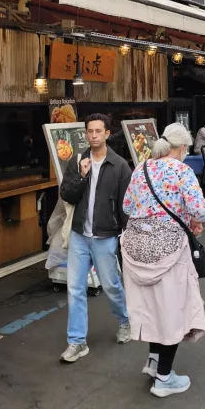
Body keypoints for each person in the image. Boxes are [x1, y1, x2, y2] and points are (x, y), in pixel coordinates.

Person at [121, 123, 205, 398]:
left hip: (136, 248)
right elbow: (200, 210)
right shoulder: (182, 171)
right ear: (182, 147)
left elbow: (126, 206)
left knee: (152, 308)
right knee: (172, 311)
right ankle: (164, 378)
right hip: (169, 250)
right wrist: (191, 219)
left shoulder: (141, 168)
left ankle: (153, 361)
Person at [58, 113, 132, 363]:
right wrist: (81, 176)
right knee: (75, 289)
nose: (93, 135)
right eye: (90, 131)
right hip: (80, 234)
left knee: (111, 285)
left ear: (107, 134)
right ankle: (76, 341)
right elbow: (66, 194)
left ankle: (125, 320)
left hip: (105, 235)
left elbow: (126, 205)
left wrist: (126, 236)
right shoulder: (78, 160)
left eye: (98, 131)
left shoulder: (120, 165)